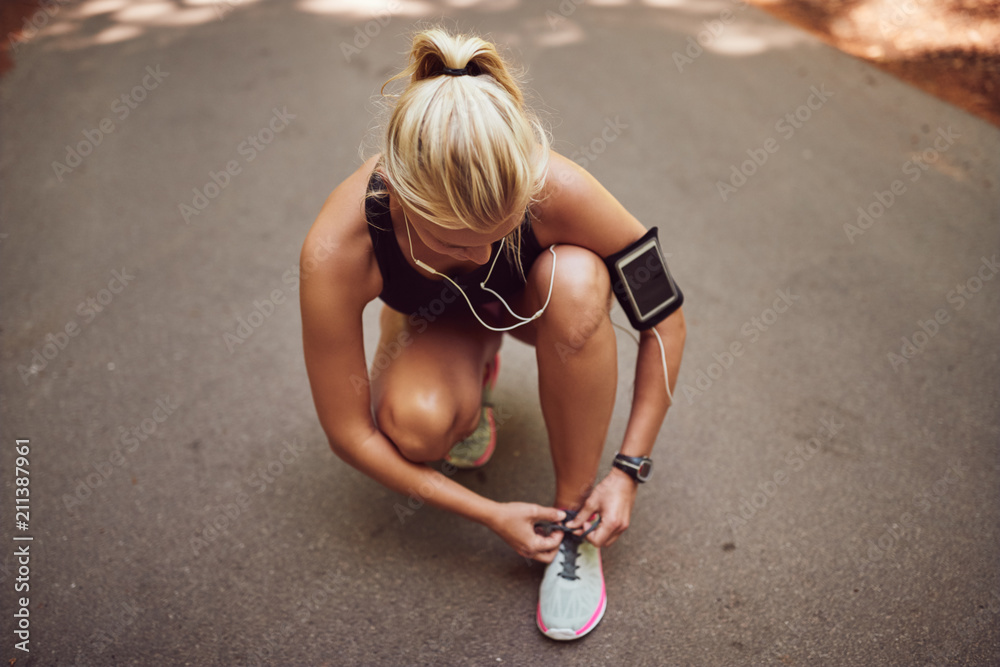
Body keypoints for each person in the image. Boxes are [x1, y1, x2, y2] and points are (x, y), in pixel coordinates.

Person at [299, 27, 685, 641]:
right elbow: (348, 435)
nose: (480, 256)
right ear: (402, 198)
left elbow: (663, 315)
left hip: (527, 307)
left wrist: (627, 470)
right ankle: (459, 365)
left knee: (581, 278)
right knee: (413, 428)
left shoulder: (556, 186)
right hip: (434, 319)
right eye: (455, 240)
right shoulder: (337, 248)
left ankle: (572, 520)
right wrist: (489, 515)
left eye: (498, 233)